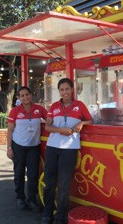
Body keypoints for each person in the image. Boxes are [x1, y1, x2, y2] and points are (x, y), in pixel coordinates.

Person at [41, 78, 93, 224]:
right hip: (52, 147)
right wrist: (60, 130)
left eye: (67, 89)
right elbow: (48, 127)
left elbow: (91, 120)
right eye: (62, 89)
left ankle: (60, 216)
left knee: (64, 184)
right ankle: (47, 213)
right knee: (50, 182)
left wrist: (82, 123)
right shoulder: (54, 107)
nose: (65, 92)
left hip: (70, 149)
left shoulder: (79, 106)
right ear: (59, 91)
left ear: (72, 90)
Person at [6, 86, 47, 212]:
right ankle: (20, 197)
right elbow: (10, 130)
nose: (25, 97)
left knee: (33, 175)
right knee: (18, 173)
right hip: (18, 146)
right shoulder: (15, 111)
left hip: (33, 147)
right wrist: (8, 148)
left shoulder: (39, 109)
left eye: (27, 94)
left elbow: (51, 121)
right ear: (19, 98)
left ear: (31, 95)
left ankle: (31, 200)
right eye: (22, 95)